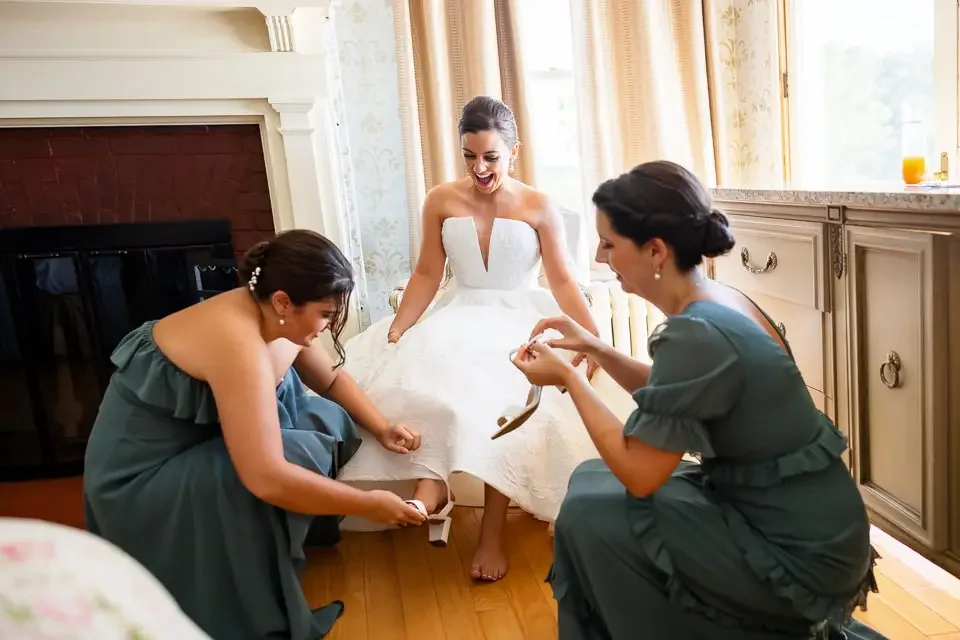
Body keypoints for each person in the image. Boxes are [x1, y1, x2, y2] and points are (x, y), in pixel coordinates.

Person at [512, 161, 887, 639]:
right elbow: (678, 390)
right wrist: (595, 349)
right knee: (590, 480)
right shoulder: (716, 298)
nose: (601, 258)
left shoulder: (696, 332)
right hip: (804, 517)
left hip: (796, 546)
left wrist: (569, 377)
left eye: (609, 243)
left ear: (655, 251)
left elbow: (641, 474)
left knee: (591, 513)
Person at [83, 230, 427, 640]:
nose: (331, 324)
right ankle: (246, 582)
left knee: (330, 419)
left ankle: (283, 538)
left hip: (194, 445)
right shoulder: (236, 341)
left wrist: (382, 425)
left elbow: (331, 379)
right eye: (324, 313)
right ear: (283, 301)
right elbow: (265, 475)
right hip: (141, 484)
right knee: (292, 453)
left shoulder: (275, 314)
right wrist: (369, 504)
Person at [340, 95, 601, 581]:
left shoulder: (539, 205)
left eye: (491, 157)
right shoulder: (440, 199)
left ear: (514, 151)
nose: (479, 168)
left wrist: (590, 335)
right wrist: (400, 326)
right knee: (422, 374)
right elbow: (425, 273)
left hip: (517, 315)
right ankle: (430, 489)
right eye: (469, 156)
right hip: (457, 310)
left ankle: (493, 530)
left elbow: (561, 280)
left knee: (500, 395)